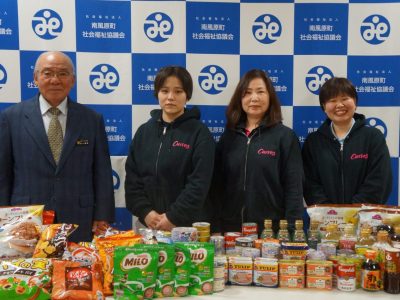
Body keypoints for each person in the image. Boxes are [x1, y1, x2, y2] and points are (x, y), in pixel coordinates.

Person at [0, 51, 115, 242]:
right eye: (47, 73)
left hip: (79, 218)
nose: (55, 80)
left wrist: (102, 215)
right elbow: (3, 174)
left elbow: (102, 172)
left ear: (73, 80)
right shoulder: (11, 117)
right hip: (27, 221)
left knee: (78, 271)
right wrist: (3, 218)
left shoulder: (91, 119)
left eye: (62, 73)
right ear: (35, 78)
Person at [212, 69, 304, 234]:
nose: (254, 98)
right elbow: (217, 187)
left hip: (270, 232)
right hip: (231, 230)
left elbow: (294, 189)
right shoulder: (229, 137)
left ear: (270, 97)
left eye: (260, 92)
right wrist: (217, 227)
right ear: (240, 99)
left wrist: (290, 231)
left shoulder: (285, 137)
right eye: (247, 93)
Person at [124, 66, 215, 231]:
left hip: (186, 228)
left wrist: (173, 217)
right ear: (157, 93)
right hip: (147, 225)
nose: (170, 97)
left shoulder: (200, 133)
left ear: (187, 95)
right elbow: (132, 180)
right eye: (164, 91)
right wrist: (146, 212)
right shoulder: (144, 132)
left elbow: (199, 183)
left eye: (178, 91)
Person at [302, 77, 392, 205]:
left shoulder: (373, 137)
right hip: (326, 220)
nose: (339, 105)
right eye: (332, 100)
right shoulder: (313, 142)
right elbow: (310, 185)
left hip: (365, 220)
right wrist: (330, 212)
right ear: (324, 106)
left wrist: (352, 211)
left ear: (355, 102)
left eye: (345, 99)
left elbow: (380, 181)